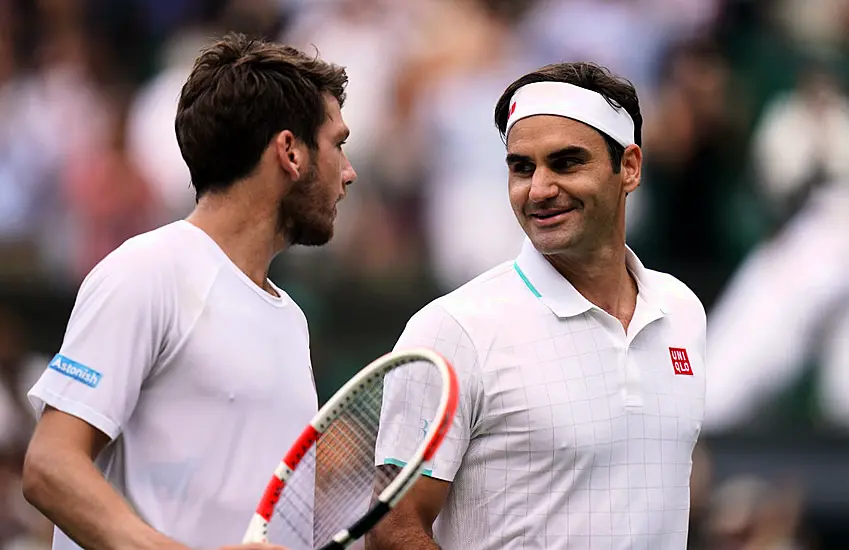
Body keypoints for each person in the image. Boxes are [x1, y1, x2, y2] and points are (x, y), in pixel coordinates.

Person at [21, 33, 356, 550]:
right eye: (337, 144)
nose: (348, 172)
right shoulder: (145, 271)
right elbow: (50, 466)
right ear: (290, 152)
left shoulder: (291, 319)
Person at [368, 62, 707, 549]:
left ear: (628, 167)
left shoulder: (683, 312)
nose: (540, 190)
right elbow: (391, 530)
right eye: (522, 167)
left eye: (566, 162)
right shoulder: (452, 329)